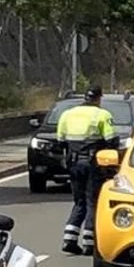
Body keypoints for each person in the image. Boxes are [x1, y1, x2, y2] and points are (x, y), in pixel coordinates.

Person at [54, 86, 118, 254]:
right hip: (93, 164)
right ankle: (89, 242)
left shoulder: (67, 114)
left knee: (79, 201)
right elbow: (112, 140)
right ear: (98, 98)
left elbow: (60, 140)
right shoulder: (102, 115)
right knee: (93, 202)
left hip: (73, 163)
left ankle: (69, 238)